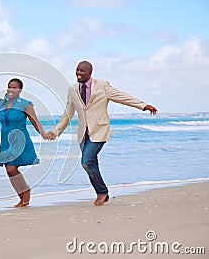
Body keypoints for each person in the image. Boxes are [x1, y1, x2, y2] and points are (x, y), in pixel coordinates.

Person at [48, 61, 158, 206]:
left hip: (99, 130)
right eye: (77, 70)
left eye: (82, 71)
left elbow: (121, 96)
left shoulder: (102, 85)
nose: (79, 73)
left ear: (90, 73)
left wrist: (142, 106)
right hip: (83, 133)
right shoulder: (73, 89)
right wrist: (56, 132)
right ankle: (101, 193)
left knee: (87, 162)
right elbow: (68, 113)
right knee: (91, 162)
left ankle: (102, 192)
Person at [0, 78, 49, 207]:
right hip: (5, 141)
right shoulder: (0, 104)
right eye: (9, 87)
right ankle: (22, 197)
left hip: (20, 139)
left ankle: (26, 191)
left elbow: (35, 122)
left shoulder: (26, 104)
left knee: (11, 168)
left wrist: (44, 134)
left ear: (20, 90)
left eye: (14, 88)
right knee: (9, 170)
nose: (11, 89)